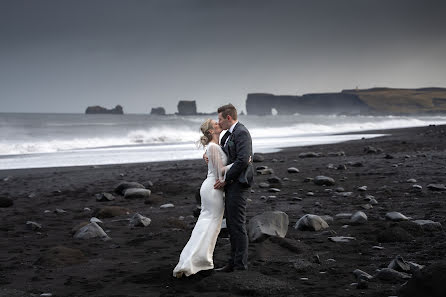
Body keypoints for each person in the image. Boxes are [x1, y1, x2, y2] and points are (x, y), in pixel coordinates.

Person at [173, 119, 230, 278]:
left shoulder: (215, 146)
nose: (219, 123)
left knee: (209, 225)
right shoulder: (213, 147)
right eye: (215, 124)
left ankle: (200, 261)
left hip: (212, 187)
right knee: (209, 225)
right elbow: (221, 171)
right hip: (213, 188)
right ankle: (197, 262)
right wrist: (244, 162)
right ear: (211, 131)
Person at [214, 103, 254, 272]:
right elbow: (224, 157)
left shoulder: (242, 133)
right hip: (230, 183)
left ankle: (240, 265)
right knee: (231, 224)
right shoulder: (226, 136)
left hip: (239, 183)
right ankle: (232, 262)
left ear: (229, 118)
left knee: (237, 224)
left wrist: (226, 179)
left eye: (220, 119)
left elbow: (243, 160)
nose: (219, 122)